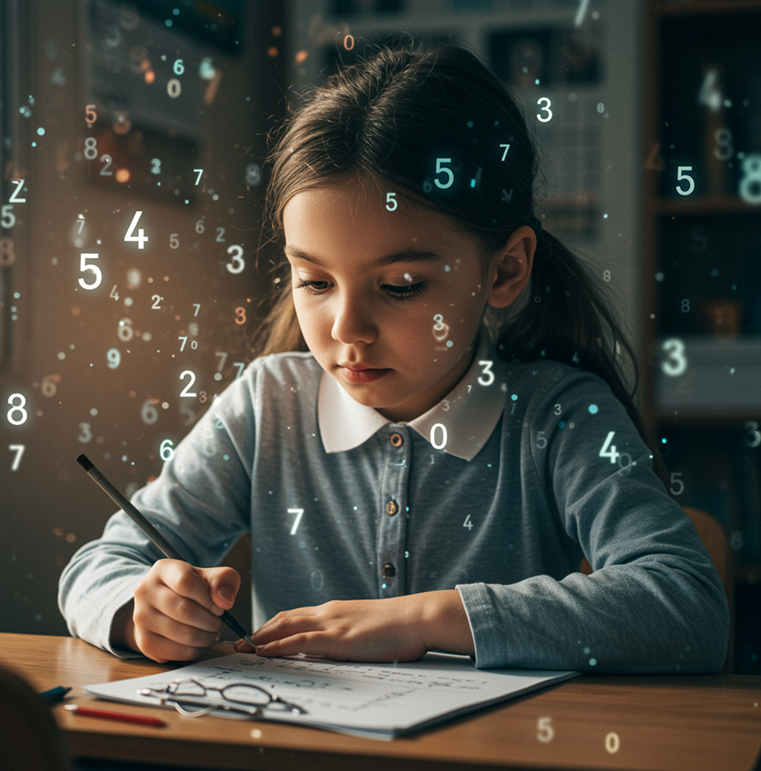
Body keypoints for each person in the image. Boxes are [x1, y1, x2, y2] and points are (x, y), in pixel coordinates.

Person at [59, 44, 729, 672]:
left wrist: (427, 618)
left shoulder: (558, 418)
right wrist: (137, 607)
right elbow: (100, 563)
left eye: (401, 286)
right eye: (314, 281)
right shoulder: (268, 406)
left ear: (505, 269)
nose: (346, 327)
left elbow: (688, 607)